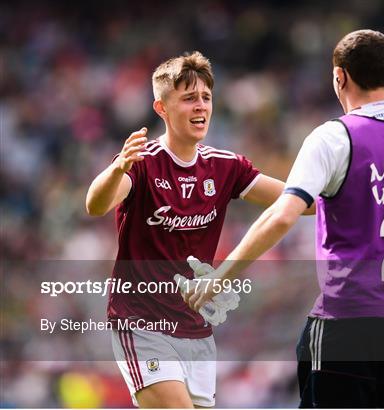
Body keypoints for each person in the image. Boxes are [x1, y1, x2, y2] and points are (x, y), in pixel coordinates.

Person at [185, 30, 384, 408]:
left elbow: (284, 215)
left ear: (340, 77)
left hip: (348, 318)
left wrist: (220, 277)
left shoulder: (334, 138)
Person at [85, 51, 312, 408]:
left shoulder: (225, 167)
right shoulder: (141, 163)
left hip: (196, 329)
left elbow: (301, 202)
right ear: (161, 108)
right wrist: (117, 169)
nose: (201, 106)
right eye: (189, 98)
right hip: (140, 323)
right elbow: (96, 205)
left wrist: (365, 190)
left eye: (206, 98)